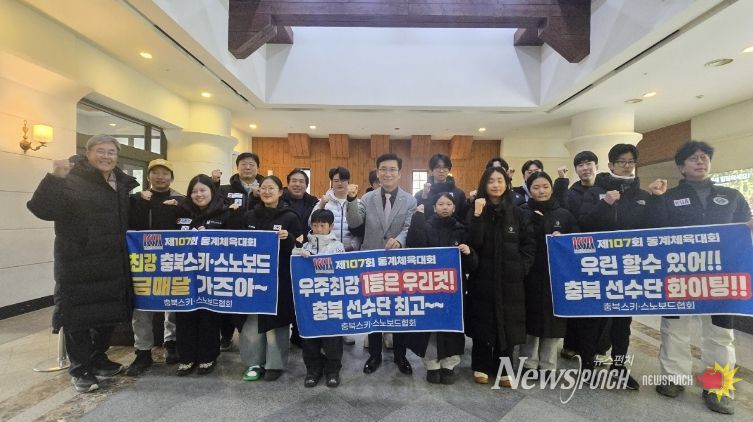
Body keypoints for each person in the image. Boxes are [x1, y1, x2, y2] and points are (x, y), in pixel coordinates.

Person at [647, 141, 753, 415]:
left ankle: (717, 387)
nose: (700, 162)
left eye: (704, 157)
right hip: (679, 274)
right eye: (693, 158)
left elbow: (744, 231)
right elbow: (655, 230)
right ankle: (674, 378)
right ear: (681, 166)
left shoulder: (732, 196)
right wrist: (656, 199)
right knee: (675, 328)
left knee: (719, 334)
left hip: (721, 276)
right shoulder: (669, 197)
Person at [27, 134, 139, 393]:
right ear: (88, 153)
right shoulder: (71, 179)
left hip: (112, 261)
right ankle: (80, 369)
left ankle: (98, 357)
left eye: (111, 152)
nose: (106, 156)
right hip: (78, 262)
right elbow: (41, 209)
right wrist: (54, 178)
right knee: (77, 317)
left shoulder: (121, 183)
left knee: (108, 314)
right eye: (100, 151)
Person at [578, 143, 649, 390]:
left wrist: (659, 200)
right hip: (598, 266)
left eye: (631, 162)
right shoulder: (595, 193)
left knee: (622, 323)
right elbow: (583, 224)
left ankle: (619, 368)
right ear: (610, 165)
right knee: (592, 319)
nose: (627, 166)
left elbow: (654, 229)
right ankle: (587, 366)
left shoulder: (642, 196)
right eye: (621, 161)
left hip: (629, 268)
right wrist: (605, 203)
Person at [346, 153, 416, 375]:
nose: (387, 173)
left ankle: (400, 356)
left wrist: (400, 240)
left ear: (399, 173)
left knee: (400, 310)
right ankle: (374, 355)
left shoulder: (410, 200)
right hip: (372, 261)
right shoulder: (367, 198)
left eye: (392, 169)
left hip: (398, 262)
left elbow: (409, 227)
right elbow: (355, 223)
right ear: (378, 172)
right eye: (383, 169)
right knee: (374, 309)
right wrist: (351, 201)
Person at [465, 166, 535, 386]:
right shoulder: (475, 210)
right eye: (491, 181)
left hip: (511, 279)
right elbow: (473, 243)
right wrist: (477, 215)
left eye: (500, 181)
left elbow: (529, 245)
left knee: (508, 322)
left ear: (507, 184)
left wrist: (521, 268)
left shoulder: (519, 213)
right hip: (482, 276)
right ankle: (480, 365)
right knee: (482, 321)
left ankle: (504, 368)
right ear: (484, 185)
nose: (495, 185)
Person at [405, 193, 477, 385]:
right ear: (434, 207)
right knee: (432, 327)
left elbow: (472, 265)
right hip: (430, 288)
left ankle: (449, 365)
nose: (444, 207)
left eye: (448, 204)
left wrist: (468, 253)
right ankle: (432, 365)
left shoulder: (461, 229)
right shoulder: (426, 227)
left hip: (453, 290)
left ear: (454, 207)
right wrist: (417, 220)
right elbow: (415, 247)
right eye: (440, 204)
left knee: (452, 327)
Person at [237, 176, 302, 382]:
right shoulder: (249, 216)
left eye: (271, 188)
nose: (267, 192)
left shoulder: (290, 217)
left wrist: (288, 238)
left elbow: (300, 246)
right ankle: (253, 363)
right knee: (252, 320)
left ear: (280, 192)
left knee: (277, 322)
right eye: (263, 188)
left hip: (279, 277)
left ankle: (275, 364)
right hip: (252, 277)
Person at [173, 174, 237, 376]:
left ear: (212, 191)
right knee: (185, 314)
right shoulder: (181, 210)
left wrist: (210, 236)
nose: (198, 194)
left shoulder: (225, 212)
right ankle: (186, 357)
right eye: (194, 191)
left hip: (212, 274)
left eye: (203, 190)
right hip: (185, 272)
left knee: (209, 315)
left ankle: (208, 357)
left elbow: (233, 242)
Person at [126, 159, 183, 376]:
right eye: (155, 173)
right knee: (142, 306)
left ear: (172, 177)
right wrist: (141, 202)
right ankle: (142, 351)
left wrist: (180, 207)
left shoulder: (182, 200)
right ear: (148, 176)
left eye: (165, 173)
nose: (160, 177)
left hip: (174, 260)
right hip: (145, 261)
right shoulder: (136, 199)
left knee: (174, 303)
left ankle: (171, 342)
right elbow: (130, 225)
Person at [519, 171, 578, 375]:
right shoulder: (521, 212)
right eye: (536, 187)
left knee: (553, 323)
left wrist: (563, 240)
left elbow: (577, 242)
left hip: (556, 276)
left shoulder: (564, 214)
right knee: (530, 319)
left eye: (545, 186)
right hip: (530, 275)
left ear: (552, 188)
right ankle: (528, 363)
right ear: (529, 190)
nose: (541, 191)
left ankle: (548, 365)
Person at [551, 151, 604, 360]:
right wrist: (562, 181)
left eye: (588, 164)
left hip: (601, 255)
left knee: (600, 301)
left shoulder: (607, 190)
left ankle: (599, 348)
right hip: (575, 254)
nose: (585, 168)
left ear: (597, 166)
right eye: (580, 165)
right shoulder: (571, 192)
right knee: (576, 296)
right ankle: (571, 344)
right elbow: (562, 211)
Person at [294, 209, 346, 388]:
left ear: (331, 226)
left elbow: (340, 270)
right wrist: (299, 254)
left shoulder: (337, 246)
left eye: (322, 225)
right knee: (309, 335)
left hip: (331, 299)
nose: (318, 229)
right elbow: (294, 266)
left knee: (332, 336)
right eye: (315, 225)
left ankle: (333, 370)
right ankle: (313, 369)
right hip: (309, 299)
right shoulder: (305, 245)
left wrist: (315, 261)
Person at [312, 167, 363, 346]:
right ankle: (327, 330)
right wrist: (321, 205)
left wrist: (353, 246)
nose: (339, 183)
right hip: (326, 256)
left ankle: (344, 329)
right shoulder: (324, 201)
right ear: (331, 183)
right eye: (336, 180)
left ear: (349, 182)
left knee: (346, 293)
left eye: (343, 180)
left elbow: (360, 229)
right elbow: (311, 224)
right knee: (327, 294)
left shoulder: (358, 202)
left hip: (349, 256)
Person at [219, 152, 263, 350]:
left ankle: (252, 335)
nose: (248, 167)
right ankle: (226, 335)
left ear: (258, 168)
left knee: (251, 291)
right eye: (244, 164)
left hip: (257, 250)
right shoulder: (224, 190)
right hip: (230, 249)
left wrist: (255, 198)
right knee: (228, 291)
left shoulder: (265, 188)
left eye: (251, 164)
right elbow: (217, 212)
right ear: (237, 167)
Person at [415, 153, 467, 221]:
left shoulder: (459, 194)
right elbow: (417, 217)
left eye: (445, 167)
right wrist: (424, 197)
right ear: (432, 170)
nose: (441, 171)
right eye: (437, 167)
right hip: (428, 227)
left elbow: (463, 217)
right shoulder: (421, 194)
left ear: (449, 170)